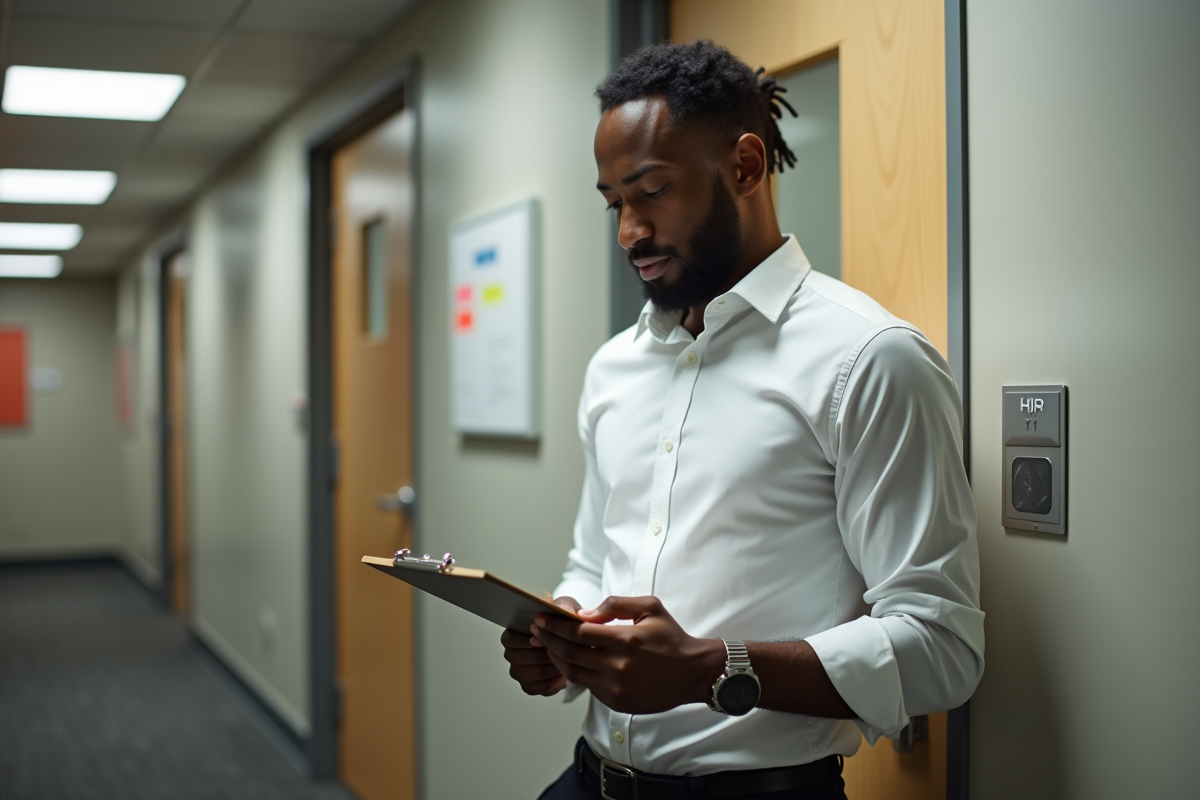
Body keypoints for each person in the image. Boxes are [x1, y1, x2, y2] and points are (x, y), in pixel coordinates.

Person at [501, 40, 984, 800]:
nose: (628, 231)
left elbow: (941, 645)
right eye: (614, 203)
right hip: (589, 779)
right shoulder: (613, 369)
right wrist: (564, 632)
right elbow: (593, 561)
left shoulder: (869, 359)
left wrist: (709, 667)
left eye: (651, 191)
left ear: (746, 168)